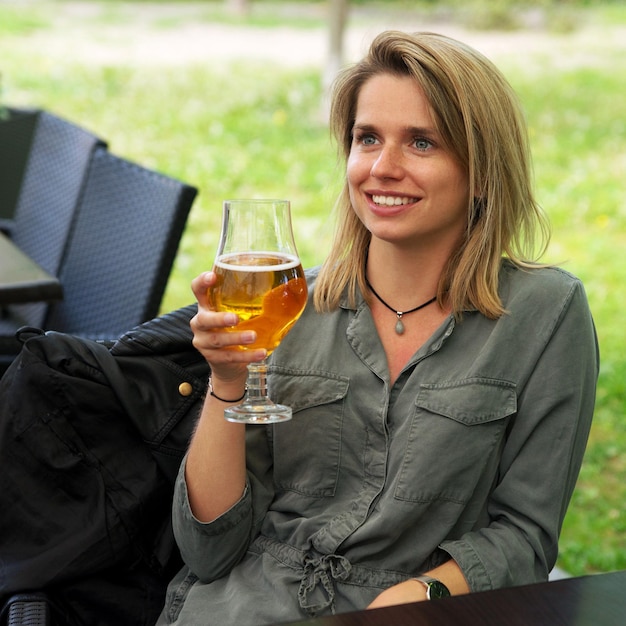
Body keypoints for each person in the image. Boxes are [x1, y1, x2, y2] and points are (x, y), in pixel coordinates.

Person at [156, 30, 598, 625]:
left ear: (483, 167)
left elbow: (524, 535)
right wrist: (227, 381)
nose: (382, 169)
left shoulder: (546, 313)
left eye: (422, 142)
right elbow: (210, 550)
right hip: (249, 605)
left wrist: (417, 598)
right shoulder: (285, 305)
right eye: (367, 139)